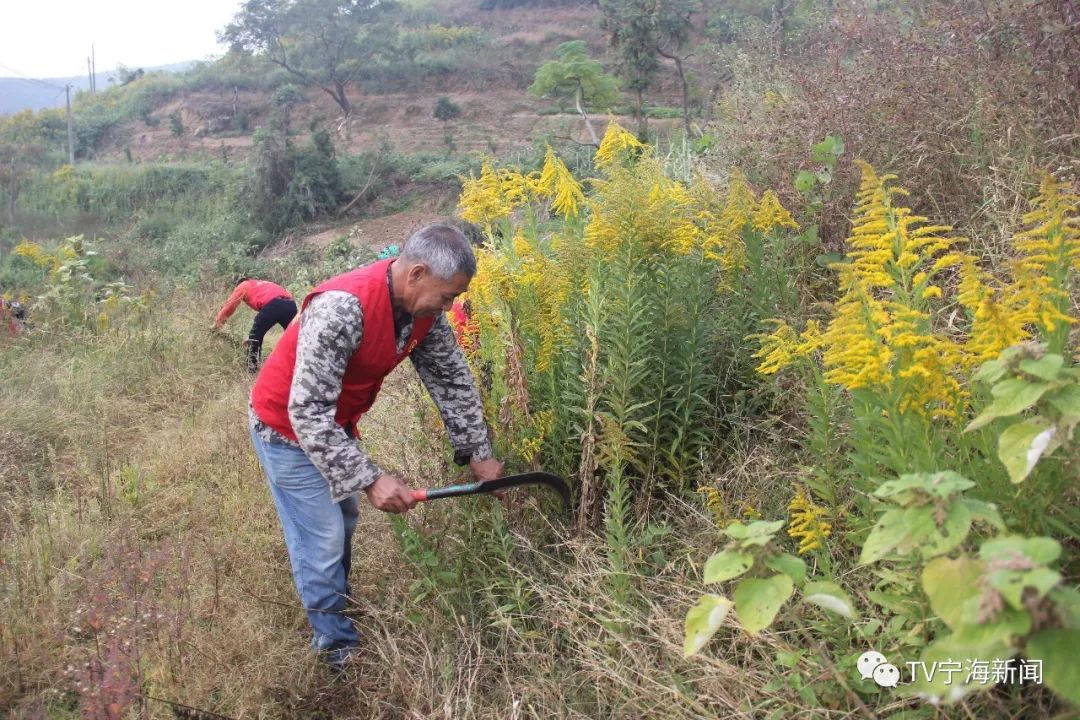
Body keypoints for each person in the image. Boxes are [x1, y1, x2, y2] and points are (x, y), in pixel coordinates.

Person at [247, 223, 504, 669]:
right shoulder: (343, 309)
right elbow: (305, 412)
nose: (450, 306)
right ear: (417, 274)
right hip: (285, 429)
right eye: (448, 296)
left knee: (341, 524)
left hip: (335, 425)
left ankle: (332, 605)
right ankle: (337, 652)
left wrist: (478, 451)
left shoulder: (423, 313)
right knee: (321, 539)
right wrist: (370, 479)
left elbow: (451, 380)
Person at [212, 278, 297, 372]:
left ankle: (252, 368)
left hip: (274, 304)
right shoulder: (263, 283)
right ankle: (297, 364)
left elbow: (230, 305)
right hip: (291, 305)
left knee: (255, 336)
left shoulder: (244, 284)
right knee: (296, 336)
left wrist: (217, 324)